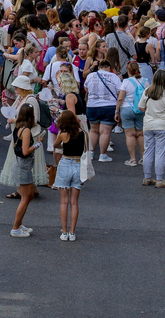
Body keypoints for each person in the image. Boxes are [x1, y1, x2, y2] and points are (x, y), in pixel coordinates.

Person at [138, 69, 165, 188]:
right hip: (163, 125)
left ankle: (147, 177)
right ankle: (159, 179)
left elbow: (141, 107)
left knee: (148, 151)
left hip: (148, 124)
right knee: (160, 152)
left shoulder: (147, 91)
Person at [53, 110, 86, 241]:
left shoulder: (63, 134)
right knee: (74, 202)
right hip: (78, 165)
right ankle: (73, 232)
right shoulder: (83, 134)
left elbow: (55, 145)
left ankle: (64, 231)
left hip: (65, 163)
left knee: (64, 201)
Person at [9, 104, 40, 238]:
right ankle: (15, 228)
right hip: (24, 166)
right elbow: (26, 151)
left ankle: (19, 224)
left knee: (29, 195)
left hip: (20, 164)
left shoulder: (17, 126)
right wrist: (37, 144)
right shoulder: (26, 130)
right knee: (26, 197)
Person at [84, 58, 122, 162]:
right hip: (108, 105)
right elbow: (120, 92)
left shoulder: (90, 76)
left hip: (92, 105)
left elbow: (86, 89)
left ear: (99, 67)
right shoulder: (114, 77)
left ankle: (91, 153)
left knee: (93, 130)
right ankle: (103, 155)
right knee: (105, 132)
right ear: (109, 68)